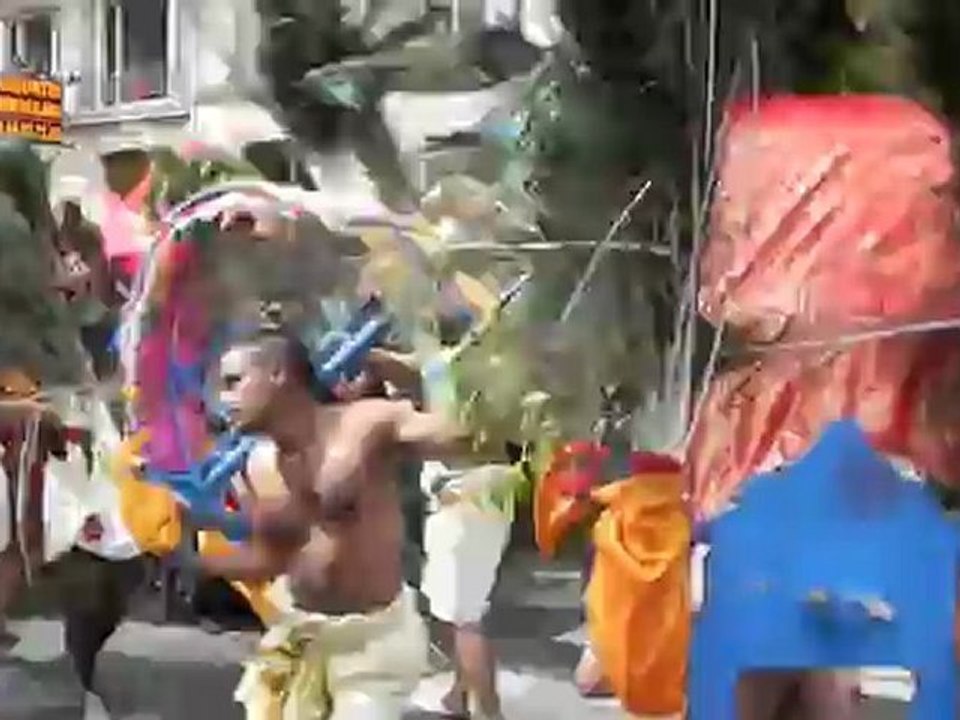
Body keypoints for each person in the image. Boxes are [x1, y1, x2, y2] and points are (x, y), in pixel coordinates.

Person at [200, 330, 470, 720]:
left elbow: (459, 434)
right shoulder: (257, 464)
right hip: (301, 637)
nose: (224, 400)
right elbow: (271, 559)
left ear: (277, 373)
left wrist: (436, 370)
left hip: (373, 647)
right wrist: (193, 560)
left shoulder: (364, 424)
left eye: (233, 383)